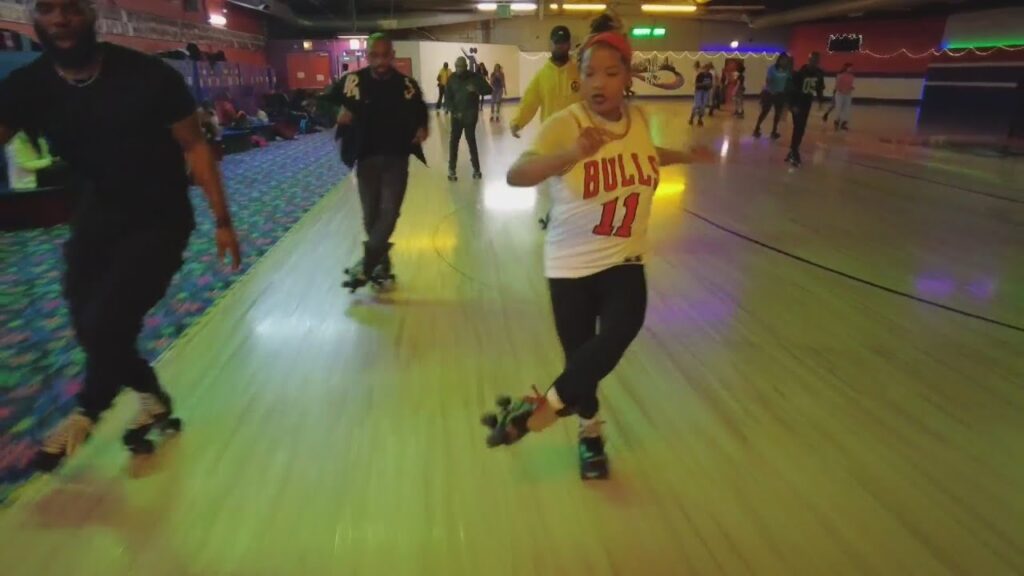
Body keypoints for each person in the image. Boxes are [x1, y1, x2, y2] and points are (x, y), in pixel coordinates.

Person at [0, 0, 241, 470]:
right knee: (87, 322)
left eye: (71, 8)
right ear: (35, 21)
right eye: (48, 9)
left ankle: (88, 411)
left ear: (91, 16)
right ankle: (151, 396)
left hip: (160, 218)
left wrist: (223, 221)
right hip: (95, 216)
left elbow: (194, 145)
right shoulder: (27, 84)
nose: (61, 19)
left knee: (110, 320)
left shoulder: (149, 76)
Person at [482, 14, 712, 480]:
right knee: (582, 361)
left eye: (610, 72)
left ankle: (539, 411)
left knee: (619, 332)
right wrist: (570, 155)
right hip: (570, 266)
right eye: (588, 73)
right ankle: (589, 433)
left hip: (625, 258)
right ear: (578, 77)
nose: (598, 82)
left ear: (628, 76)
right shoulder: (567, 124)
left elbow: (646, 153)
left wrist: (685, 155)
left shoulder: (640, 119)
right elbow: (516, 175)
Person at [326, 33, 429, 291]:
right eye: (375, 55)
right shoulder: (352, 82)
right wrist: (336, 114)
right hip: (366, 157)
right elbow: (322, 102)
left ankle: (367, 263)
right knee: (370, 214)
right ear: (367, 55)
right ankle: (381, 263)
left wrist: (422, 127)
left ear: (392, 55)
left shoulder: (407, 85)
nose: (381, 61)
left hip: (396, 157)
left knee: (390, 211)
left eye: (386, 55)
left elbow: (420, 111)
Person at [510, 25, 581, 138]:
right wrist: (518, 122)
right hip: (550, 137)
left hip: (576, 137)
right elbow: (529, 102)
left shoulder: (579, 73)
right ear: (551, 44)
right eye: (557, 43)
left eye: (563, 43)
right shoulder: (542, 76)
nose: (560, 46)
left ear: (569, 45)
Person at [445, 55, 492, 181]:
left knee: (471, 140)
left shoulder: (475, 78)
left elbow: (489, 89)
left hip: (470, 115)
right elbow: (448, 98)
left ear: (466, 67)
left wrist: (476, 89)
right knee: (454, 141)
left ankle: (476, 169)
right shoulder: (452, 79)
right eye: (457, 67)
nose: (459, 69)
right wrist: (453, 110)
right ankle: (452, 168)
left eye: (461, 67)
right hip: (456, 116)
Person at [786, 51, 825, 168]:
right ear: (809, 60)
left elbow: (819, 88)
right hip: (797, 103)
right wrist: (792, 105)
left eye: (816, 60)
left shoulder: (819, 74)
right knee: (798, 127)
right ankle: (794, 151)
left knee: (800, 128)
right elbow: (791, 91)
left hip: (807, 103)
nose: (814, 62)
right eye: (812, 60)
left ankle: (793, 150)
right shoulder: (800, 73)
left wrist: (820, 101)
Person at [754, 52, 791, 139]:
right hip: (769, 93)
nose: (784, 62)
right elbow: (768, 80)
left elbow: (788, 82)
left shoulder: (787, 70)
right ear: (779, 60)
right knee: (765, 112)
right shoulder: (772, 68)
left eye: (786, 60)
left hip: (780, 94)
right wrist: (770, 88)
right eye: (783, 60)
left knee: (778, 114)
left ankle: (774, 131)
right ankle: (757, 128)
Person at [827, 63, 855, 131]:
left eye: (852, 68)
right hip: (840, 95)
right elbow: (837, 86)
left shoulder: (852, 76)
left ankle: (843, 124)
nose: (851, 69)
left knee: (846, 110)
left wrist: (851, 88)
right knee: (839, 109)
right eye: (850, 67)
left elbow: (850, 85)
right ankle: (836, 122)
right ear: (846, 68)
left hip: (848, 95)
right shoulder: (840, 76)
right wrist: (841, 90)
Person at [690, 63, 713, 127]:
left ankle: (700, 119)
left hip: (706, 91)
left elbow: (711, 84)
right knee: (697, 105)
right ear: (704, 69)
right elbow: (696, 84)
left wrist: (710, 86)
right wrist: (703, 84)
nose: (707, 70)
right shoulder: (700, 75)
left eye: (708, 69)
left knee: (703, 106)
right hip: (699, 91)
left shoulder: (710, 75)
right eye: (706, 69)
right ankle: (692, 117)